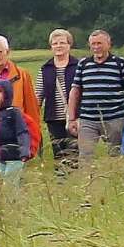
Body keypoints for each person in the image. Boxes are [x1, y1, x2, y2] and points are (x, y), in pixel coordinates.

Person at [68, 30, 124, 159]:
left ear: (108, 44)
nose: (96, 47)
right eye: (93, 44)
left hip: (115, 118)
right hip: (88, 119)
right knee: (85, 155)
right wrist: (71, 118)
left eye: (99, 43)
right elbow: (75, 91)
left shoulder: (120, 63)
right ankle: (86, 178)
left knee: (116, 154)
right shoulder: (83, 64)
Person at [38, 29, 79, 164]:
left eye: (62, 42)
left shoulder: (79, 66)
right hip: (54, 118)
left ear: (69, 45)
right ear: (51, 47)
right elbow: (38, 94)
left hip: (76, 118)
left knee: (74, 152)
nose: (58, 46)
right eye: (55, 43)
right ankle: (61, 181)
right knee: (59, 154)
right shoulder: (45, 69)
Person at [0, 81, 37, 179]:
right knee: (7, 183)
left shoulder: (14, 113)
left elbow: (22, 132)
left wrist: (24, 149)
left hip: (14, 155)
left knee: (10, 184)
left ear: (6, 93)